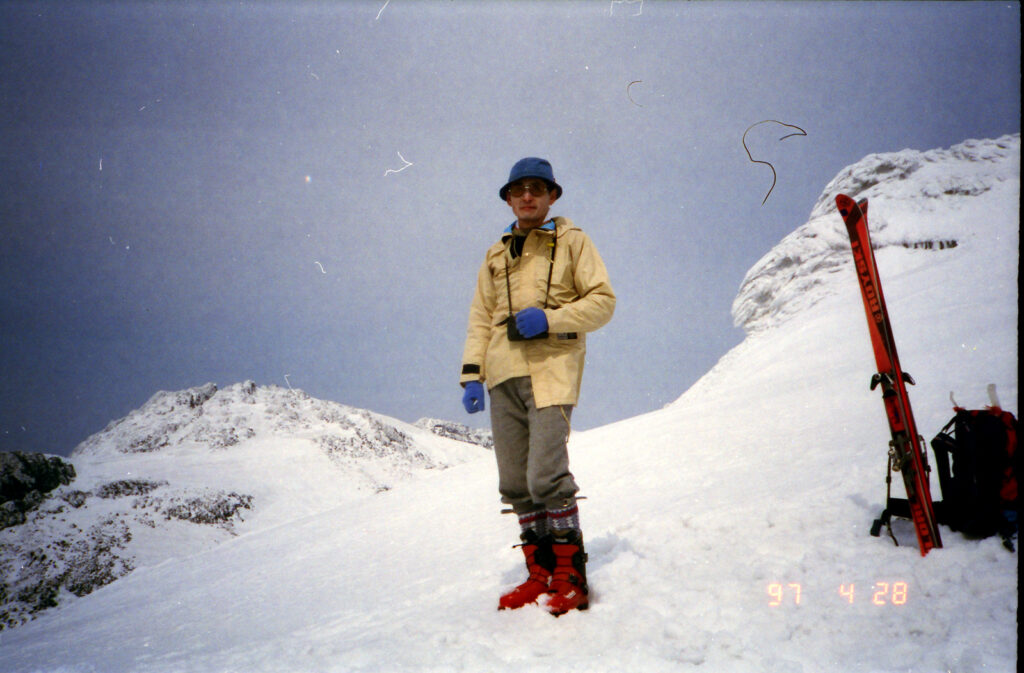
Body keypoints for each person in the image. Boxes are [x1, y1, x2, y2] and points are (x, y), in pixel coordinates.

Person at [459, 157, 616, 615]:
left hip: (551, 371)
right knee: (514, 482)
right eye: (519, 189)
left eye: (537, 188)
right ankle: (540, 574)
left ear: (552, 196)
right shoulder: (495, 254)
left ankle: (571, 575)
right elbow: (480, 318)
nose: (527, 196)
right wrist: (472, 375)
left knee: (545, 475)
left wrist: (550, 319)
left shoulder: (573, 241)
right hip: (502, 374)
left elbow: (603, 302)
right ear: (508, 199)